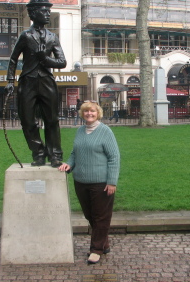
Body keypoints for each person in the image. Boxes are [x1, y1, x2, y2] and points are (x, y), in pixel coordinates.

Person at [5, 0, 67, 168]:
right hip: (28, 82)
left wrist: (44, 59)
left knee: (52, 120)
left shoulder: (53, 37)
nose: (47, 13)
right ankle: (38, 153)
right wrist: (10, 80)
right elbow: (13, 59)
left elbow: (62, 62)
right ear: (33, 13)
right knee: (28, 121)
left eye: (49, 10)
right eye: (43, 10)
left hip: (47, 81)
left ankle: (55, 154)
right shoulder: (25, 36)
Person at [58, 101, 120, 264]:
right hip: (81, 181)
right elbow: (75, 152)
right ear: (82, 113)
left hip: (101, 182)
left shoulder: (105, 131)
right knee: (89, 215)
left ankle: (96, 249)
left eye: (92, 111)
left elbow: (114, 157)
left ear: (97, 113)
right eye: (86, 111)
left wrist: (112, 181)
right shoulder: (80, 130)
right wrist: (69, 164)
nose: (89, 114)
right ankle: (104, 243)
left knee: (101, 217)